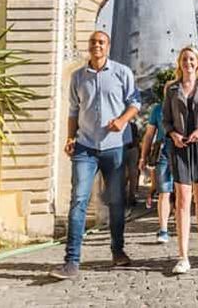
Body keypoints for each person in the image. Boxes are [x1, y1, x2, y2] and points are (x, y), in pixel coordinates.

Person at [50, 31, 141, 280]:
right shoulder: (78, 76)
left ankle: (118, 250)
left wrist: (122, 120)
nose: (97, 45)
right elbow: (73, 111)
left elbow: (135, 103)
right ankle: (71, 261)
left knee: (116, 201)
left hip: (115, 147)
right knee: (79, 200)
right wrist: (70, 138)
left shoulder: (122, 73)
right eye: (93, 42)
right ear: (88, 46)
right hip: (85, 146)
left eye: (101, 42)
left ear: (108, 46)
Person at [162, 46, 198, 274]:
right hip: (180, 148)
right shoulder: (171, 89)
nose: (188, 62)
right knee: (182, 200)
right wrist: (173, 134)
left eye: (192, 59)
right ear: (180, 63)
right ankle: (183, 256)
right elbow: (165, 120)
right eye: (184, 59)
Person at [138, 91, 174, 243]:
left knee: (183, 191)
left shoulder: (186, 106)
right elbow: (149, 134)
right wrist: (143, 157)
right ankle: (163, 229)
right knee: (164, 190)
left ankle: (181, 222)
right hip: (163, 151)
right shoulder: (158, 109)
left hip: (182, 151)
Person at [124, 119, 142, 207]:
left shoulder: (133, 126)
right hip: (122, 149)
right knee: (123, 174)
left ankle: (132, 196)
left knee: (133, 174)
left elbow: (137, 138)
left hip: (132, 150)